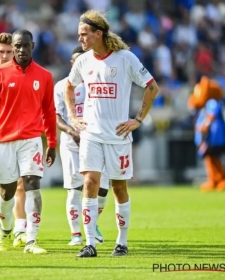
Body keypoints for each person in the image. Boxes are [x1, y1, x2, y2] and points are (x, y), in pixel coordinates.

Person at [65, 10, 159, 258]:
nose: (80, 39)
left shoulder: (125, 58)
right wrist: (74, 116)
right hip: (91, 135)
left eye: (84, 34)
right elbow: (69, 86)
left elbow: (152, 87)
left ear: (98, 33)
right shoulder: (84, 61)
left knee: (118, 187)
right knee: (89, 183)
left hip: (118, 136)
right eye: (79, 35)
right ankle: (89, 243)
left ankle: (122, 242)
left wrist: (138, 119)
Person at [0, 29, 57, 254]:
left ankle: (31, 240)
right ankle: (6, 231)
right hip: (3, 140)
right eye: (17, 46)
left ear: (33, 46)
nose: (20, 50)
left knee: (31, 184)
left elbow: (49, 112)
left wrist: (52, 143)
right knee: (7, 192)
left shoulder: (45, 76)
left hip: (31, 139)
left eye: (24, 46)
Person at [54, 46, 109, 246]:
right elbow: (56, 116)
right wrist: (71, 132)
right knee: (75, 189)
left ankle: (92, 223)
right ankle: (76, 234)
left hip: (97, 140)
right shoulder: (61, 86)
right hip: (71, 143)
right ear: (72, 63)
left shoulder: (97, 83)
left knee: (102, 189)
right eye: (76, 61)